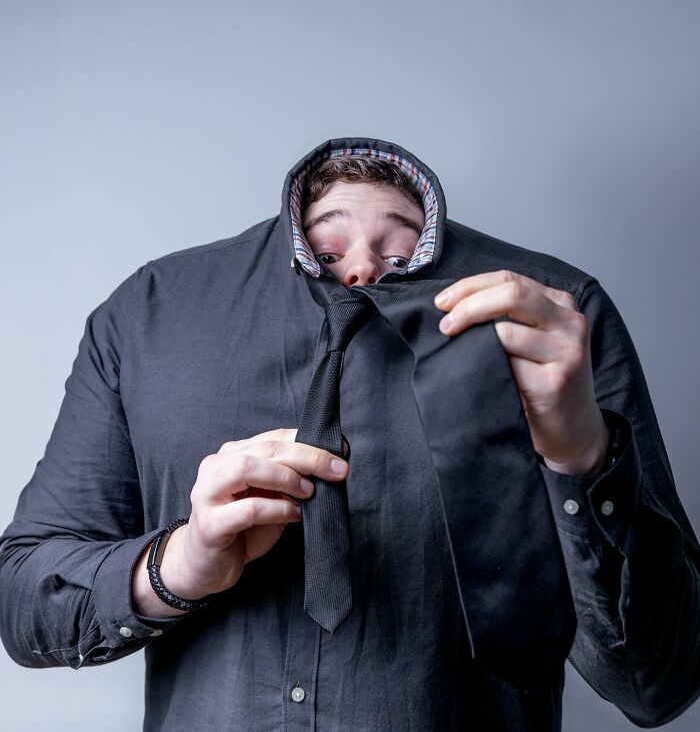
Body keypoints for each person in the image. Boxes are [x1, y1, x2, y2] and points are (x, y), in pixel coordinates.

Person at [1, 136, 699, 731]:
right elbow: (23, 597)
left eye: (394, 250)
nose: (362, 269)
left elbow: (658, 683)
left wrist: (581, 455)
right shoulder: (147, 316)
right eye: (332, 244)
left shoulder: (556, 320)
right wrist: (176, 565)